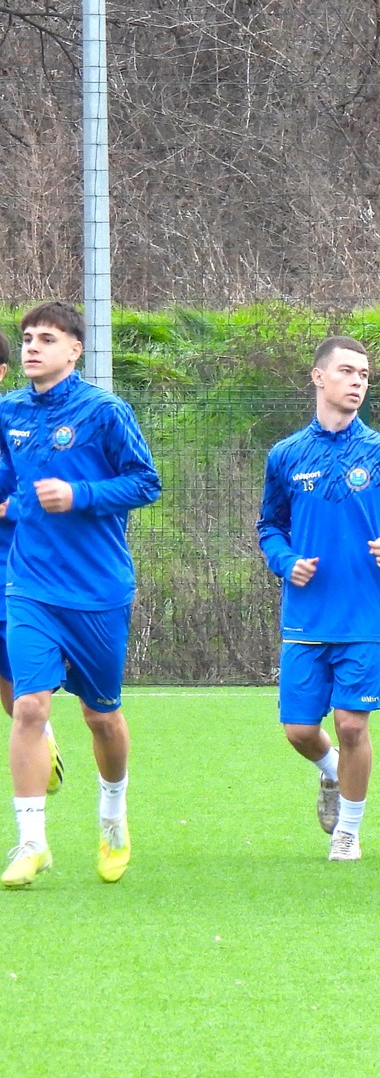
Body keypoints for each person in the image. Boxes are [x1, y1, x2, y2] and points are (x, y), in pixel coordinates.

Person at [0, 303, 161, 890]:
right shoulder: (9, 412)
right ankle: (32, 842)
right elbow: (9, 484)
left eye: (47, 338)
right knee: (29, 707)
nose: (32, 347)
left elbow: (146, 482)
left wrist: (80, 494)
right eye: (27, 338)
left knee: (101, 716)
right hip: (29, 585)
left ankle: (113, 818)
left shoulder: (105, 411)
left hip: (97, 590)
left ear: (75, 351)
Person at [258, 336, 380, 862]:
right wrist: (285, 561)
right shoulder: (286, 455)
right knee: (298, 730)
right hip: (306, 615)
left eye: (364, 374)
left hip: (365, 615)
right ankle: (333, 772)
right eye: (347, 371)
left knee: (352, 724)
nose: (357, 381)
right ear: (318, 377)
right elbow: (270, 527)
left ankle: (348, 832)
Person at [0, 329, 67, 808]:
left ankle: (41, 738)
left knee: (16, 695)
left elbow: (41, 488)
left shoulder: (17, 422)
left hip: (12, 572)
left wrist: (12, 507)